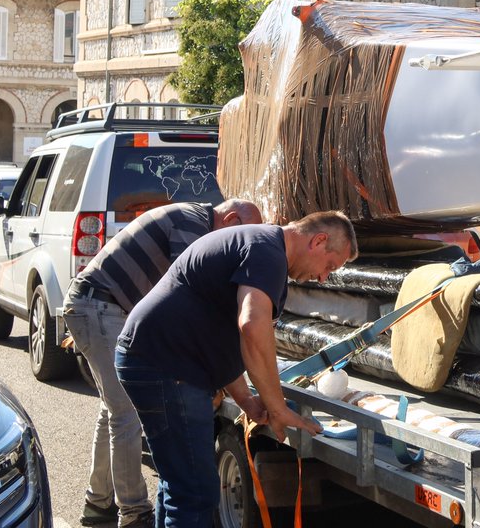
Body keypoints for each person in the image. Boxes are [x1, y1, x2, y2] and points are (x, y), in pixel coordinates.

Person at [115, 211, 357, 528]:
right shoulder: (268, 252)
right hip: (166, 367)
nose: (324, 277)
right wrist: (276, 406)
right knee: (196, 493)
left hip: (157, 361)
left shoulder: (260, 245)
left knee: (178, 483)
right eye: (330, 266)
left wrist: (248, 401)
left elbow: (222, 339)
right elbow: (252, 327)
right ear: (319, 240)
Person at [63, 198, 263, 528]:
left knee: (112, 410)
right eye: (240, 237)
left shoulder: (193, 219)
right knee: (126, 413)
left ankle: (98, 503)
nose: (237, 250)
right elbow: (192, 301)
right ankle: (134, 514)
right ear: (228, 220)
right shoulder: (193, 228)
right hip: (100, 306)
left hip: (97, 305)